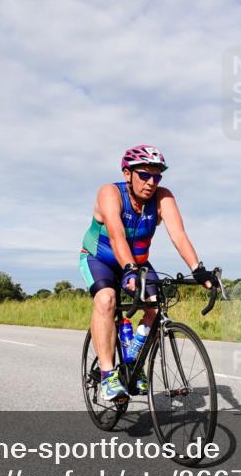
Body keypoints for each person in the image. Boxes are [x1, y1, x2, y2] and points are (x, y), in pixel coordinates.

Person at [78, 145, 212, 401]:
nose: (151, 182)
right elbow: (117, 235)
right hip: (99, 258)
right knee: (106, 299)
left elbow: (179, 235)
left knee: (156, 304)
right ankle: (108, 376)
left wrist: (198, 270)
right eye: (144, 175)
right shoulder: (110, 193)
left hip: (137, 263)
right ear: (127, 173)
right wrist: (129, 270)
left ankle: (134, 356)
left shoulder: (163, 198)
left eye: (157, 176)